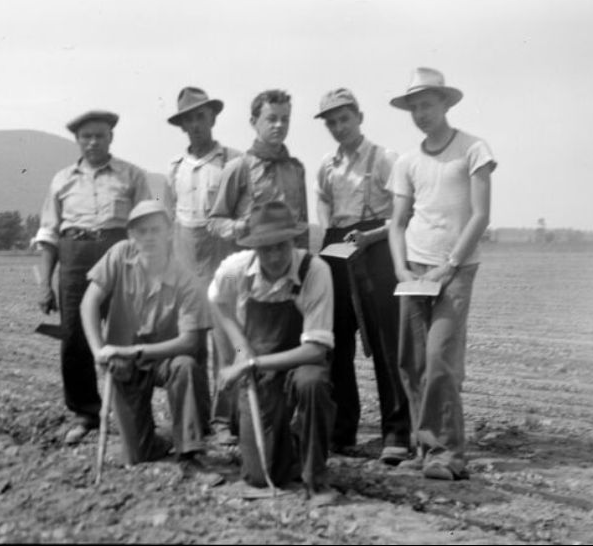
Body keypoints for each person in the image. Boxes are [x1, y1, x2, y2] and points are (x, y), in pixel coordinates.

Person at [386, 68, 496, 480]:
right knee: (412, 362)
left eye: (427, 105)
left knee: (439, 358)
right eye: (414, 107)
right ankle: (423, 448)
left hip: (455, 269)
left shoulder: (473, 149)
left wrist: (449, 265)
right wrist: (400, 267)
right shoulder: (406, 162)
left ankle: (448, 453)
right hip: (414, 268)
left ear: (445, 103)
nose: (421, 114)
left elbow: (481, 215)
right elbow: (397, 222)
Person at [34, 110, 153, 446]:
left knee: (126, 333)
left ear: (111, 138)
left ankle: (133, 414)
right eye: (86, 136)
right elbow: (48, 234)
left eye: (100, 135)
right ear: (77, 140)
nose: (93, 142)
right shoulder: (61, 180)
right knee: (74, 336)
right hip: (74, 255)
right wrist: (44, 284)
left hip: (120, 253)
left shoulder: (133, 175)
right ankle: (86, 412)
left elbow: (149, 216)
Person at [209, 201, 337, 500]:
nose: (275, 256)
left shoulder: (314, 271)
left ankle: (316, 478)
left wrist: (251, 363)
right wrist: (241, 349)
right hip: (261, 366)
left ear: (293, 240)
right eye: (266, 249)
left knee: (312, 383)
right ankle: (287, 445)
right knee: (260, 476)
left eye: (281, 246)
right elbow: (217, 301)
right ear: (254, 247)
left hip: (301, 362)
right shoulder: (236, 270)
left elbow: (316, 350)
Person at [314, 88, 411, 464]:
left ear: (359, 118)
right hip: (338, 247)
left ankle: (396, 432)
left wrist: (372, 236)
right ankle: (341, 430)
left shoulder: (385, 158)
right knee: (336, 341)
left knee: (386, 341)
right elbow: (322, 197)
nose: (339, 127)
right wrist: (329, 229)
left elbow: (405, 211)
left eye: (344, 119)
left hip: (376, 246)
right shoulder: (327, 164)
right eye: (331, 122)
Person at [80, 200, 211, 465]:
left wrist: (134, 351)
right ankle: (160, 440)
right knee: (137, 455)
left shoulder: (186, 278)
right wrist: (98, 352)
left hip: (166, 359)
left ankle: (189, 450)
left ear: (169, 232)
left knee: (185, 366)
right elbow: (89, 302)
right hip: (123, 364)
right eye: (142, 231)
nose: (149, 237)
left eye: (156, 230)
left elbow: (189, 342)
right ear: (131, 235)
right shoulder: (119, 255)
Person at [163, 86, 242, 446]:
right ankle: (196, 420)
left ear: (212, 117)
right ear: (181, 125)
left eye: (200, 116)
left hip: (222, 254)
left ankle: (224, 419)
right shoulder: (174, 169)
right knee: (191, 341)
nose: (195, 124)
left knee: (226, 341)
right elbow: (168, 216)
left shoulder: (232, 162)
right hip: (185, 256)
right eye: (188, 119)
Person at [207, 89, 309, 250]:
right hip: (252, 255)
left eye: (285, 119)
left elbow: (303, 224)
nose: (279, 125)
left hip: (288, 256)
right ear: (253, 122)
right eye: (272, 119)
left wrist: (304, 259)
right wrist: (241, 227)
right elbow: (214, 222)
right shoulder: (239, 167)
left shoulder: (296, 168)